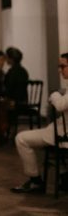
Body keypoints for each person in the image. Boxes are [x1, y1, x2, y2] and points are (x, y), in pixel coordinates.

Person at [11, 52, 68, 194]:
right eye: (59, 66)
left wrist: (54, 94)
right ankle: (64, 176)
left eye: (63, 66)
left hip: (64, 134)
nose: (60, 70)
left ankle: (35, 181)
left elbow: (61, 105)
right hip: (61, 131)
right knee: (51, 143)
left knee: (21, 138)